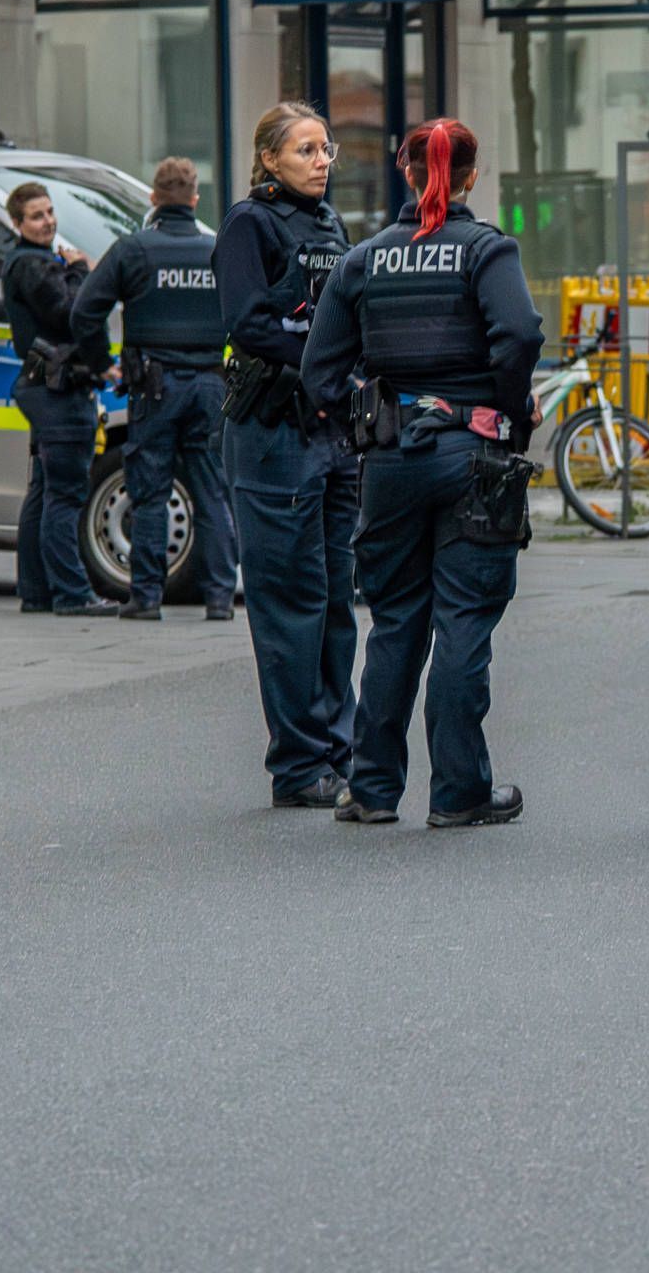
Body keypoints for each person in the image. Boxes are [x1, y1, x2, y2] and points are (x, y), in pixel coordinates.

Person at [303, 119, 545, 828]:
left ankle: (372, 790)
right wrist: (505, 404)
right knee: (465, 621)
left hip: (390, 463)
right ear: (470, 176)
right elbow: (521, 334)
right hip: (474, 456)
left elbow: (320, 375)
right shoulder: (485, 250)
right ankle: (459, 793)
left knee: (395, 622)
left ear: (405, 173)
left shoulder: (364, 260)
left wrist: (374, 415)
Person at [216, 103, 361, 809]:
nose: (321, 160)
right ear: (269, 159)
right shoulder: (250, 224)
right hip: (274, 434)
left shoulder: (331, 225)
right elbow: (248, 324)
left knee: (337, 599)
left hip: (331, 434)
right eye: (305, 150)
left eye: (325, 148)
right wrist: (324, 356)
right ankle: (299, 764)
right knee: (289, 604)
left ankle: (340, 750)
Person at [72, 156, 238, 623]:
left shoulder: (134, 250)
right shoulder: (215, 249)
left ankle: (146, 598)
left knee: (150, 492)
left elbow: (84, 312)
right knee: (212, 492)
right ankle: (221, 598)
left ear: (152, 199)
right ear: (194, 199)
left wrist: (103, 363)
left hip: (154, 387)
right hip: (209, 384)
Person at [1, 181, 110, 617]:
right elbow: (71, 312)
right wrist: (82, 269)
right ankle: (72, 594)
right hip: (57, 389)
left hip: (46, 387)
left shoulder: (31, 261)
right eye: (36, 216)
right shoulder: (32, 265)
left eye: (49, 212)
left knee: (44, 491)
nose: (47, 222)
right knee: (64, 495)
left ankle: (37, 592)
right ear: (17, 223)